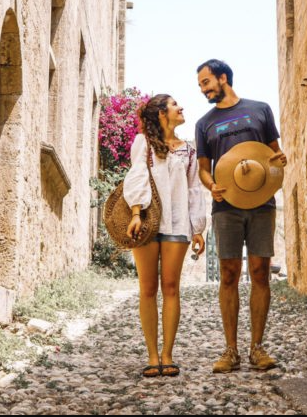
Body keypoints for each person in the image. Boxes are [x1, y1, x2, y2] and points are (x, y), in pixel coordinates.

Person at [194, 59, 288, 373]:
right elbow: (203, 169)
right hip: (226, 207)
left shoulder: (260, 110)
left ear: (223, 78)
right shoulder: (204, 124)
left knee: (260, 272)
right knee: (228, 274)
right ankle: (230, 350)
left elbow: (274, 154)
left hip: (262, 203)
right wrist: (211, 186)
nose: (203, 90)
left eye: (206, 82)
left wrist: (281, 159)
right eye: (201, 85)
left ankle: (257, 348)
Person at [123, 94, 206, 377]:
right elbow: (137, 176)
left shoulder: (189, 152)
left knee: (171, 288)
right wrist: (136, 213)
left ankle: (168, 354)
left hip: (178, 224)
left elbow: (194, 189)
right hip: (147, 223)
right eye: (173, 104)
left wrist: (197, 228)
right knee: (147, 288)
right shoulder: (143, 143)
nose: (181, 107)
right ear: (161, 113)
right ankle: (152, 355)